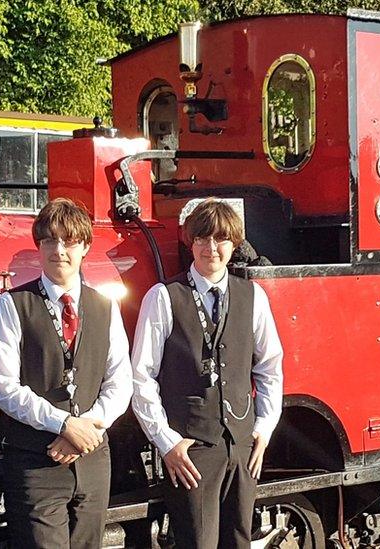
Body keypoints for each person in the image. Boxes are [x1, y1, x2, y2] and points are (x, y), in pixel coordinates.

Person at [130, 198, 283, 548]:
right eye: (202, 239)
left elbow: (270, 364)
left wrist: (263, 427)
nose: (211, 248)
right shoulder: (164, 297)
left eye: (220, 239)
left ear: (234, 244)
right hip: (191, 448)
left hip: (242, 443)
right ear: (190, 242)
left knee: (239, 539)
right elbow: (141, 377)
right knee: (197, 542)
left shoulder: (253, 296)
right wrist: (166, 443)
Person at [0, 197, 132, 548]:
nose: (59, 250)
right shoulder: (11, 305)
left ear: (84, 247)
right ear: (38, 247)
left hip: (93, 461)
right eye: (49, 241)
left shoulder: (105, 305)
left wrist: (88, 429)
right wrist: (64, 425)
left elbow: (120, 381)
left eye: (69, 241)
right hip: (36, 463)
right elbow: (4, 388)